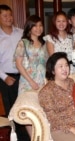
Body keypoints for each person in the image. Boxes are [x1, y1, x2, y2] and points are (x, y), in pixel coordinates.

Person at [39, 52, 75, 141]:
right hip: (61, 129)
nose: (65, 69)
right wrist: (72, 129)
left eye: (66, 65)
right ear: (52, 70)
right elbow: (52, 117)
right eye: (60, 66)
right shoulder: (46, 91)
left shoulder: (71, 82)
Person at [14, 15, 47, 137]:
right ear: (29, 27)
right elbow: (18, 64)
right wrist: (31, 81)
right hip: (27, 83)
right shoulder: (23, 43)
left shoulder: (44, 43)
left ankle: (41, 137)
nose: (38, 28)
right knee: (29, 113)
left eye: (40, 25)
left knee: (40, 112)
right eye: (35, 25)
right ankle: (34, 138)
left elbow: (46, 64)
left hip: (42, 83)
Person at [0, 4, 30, 141]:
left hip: (24, 77)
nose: (9, 18)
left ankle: (28, 137)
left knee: (26, 109)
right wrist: (5, 77)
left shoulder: (21, 32)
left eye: (10, 15)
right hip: (7, 78)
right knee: (12, 111)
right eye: (4, 15)